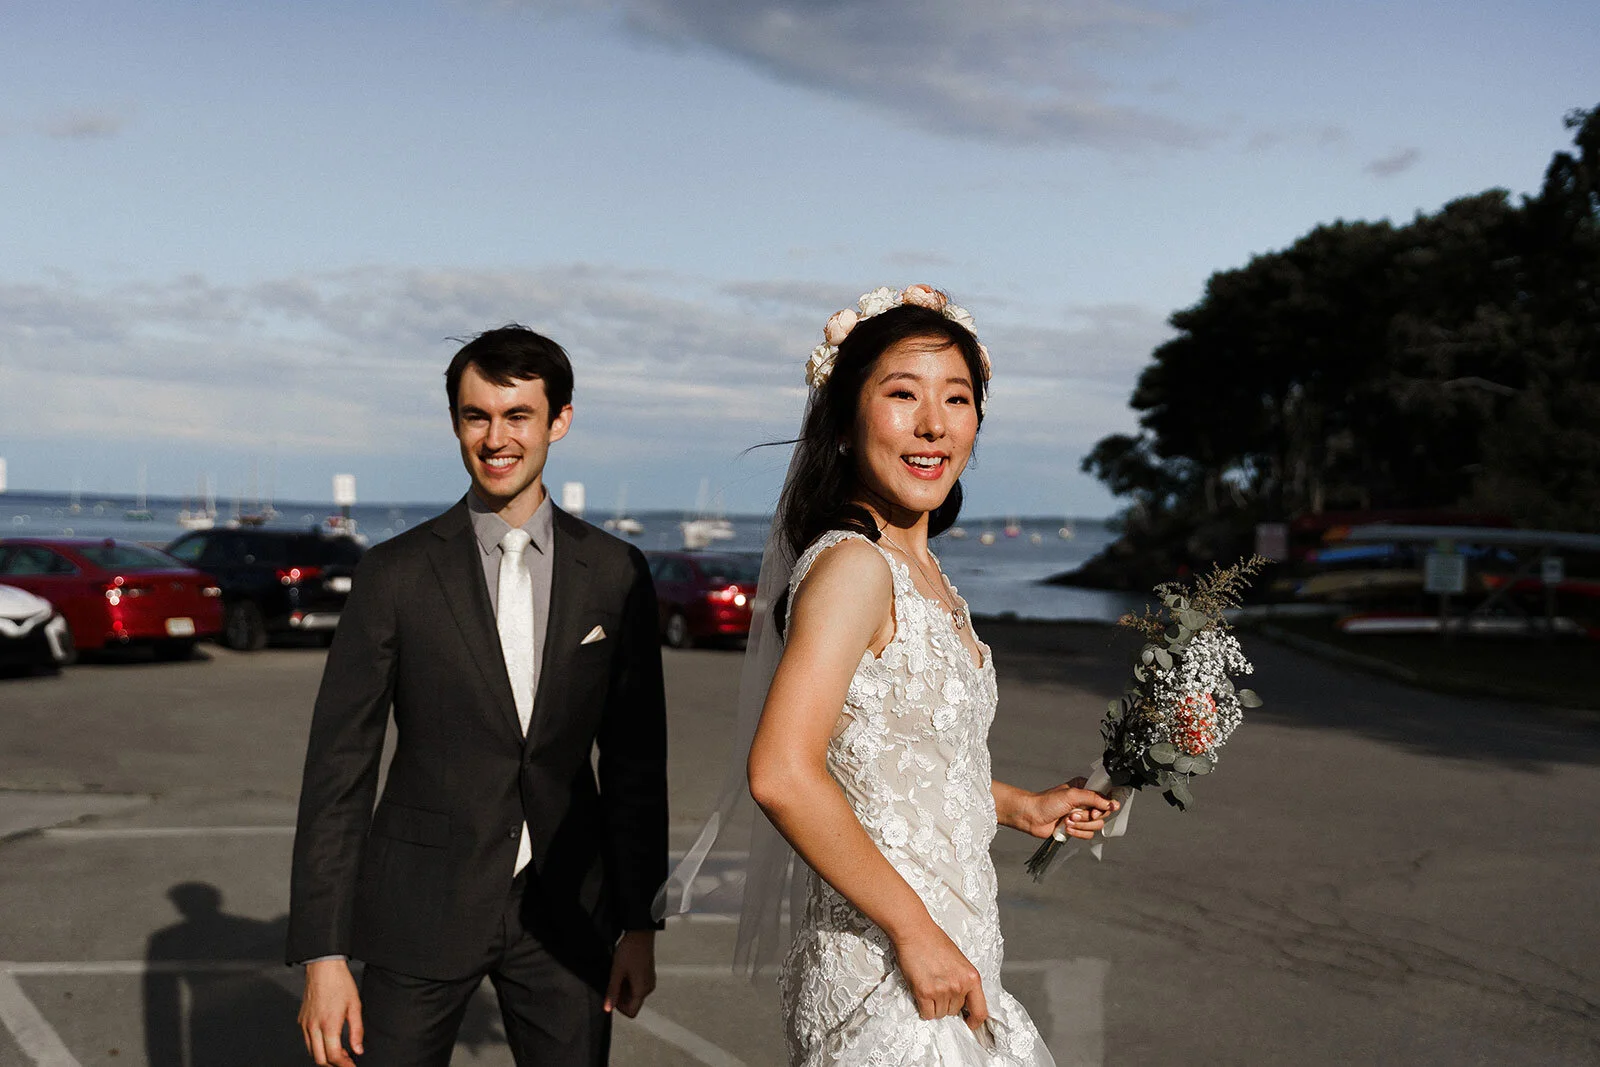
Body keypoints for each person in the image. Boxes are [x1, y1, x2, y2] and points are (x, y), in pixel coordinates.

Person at [656, 286, 1117, 1065]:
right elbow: (781, 772)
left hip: (955, 947)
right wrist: (915, 929)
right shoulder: (853, 565)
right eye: (902, 394)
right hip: (888, 969)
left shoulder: (923, 566)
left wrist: (1021, 805)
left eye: (957, 398)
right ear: (842, 421)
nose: (933, 423)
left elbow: (899, 761)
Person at [287, 325, 668, 1067]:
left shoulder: (617, 571)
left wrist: (639, 922)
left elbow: (634, 763)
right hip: (420, 907)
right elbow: (339, 769)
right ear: (457, 421)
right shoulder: (394, 574)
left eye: (518, 415)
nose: (496, 438)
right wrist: (323, 953)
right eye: (476, 415)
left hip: (568, 917)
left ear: (558, 419)